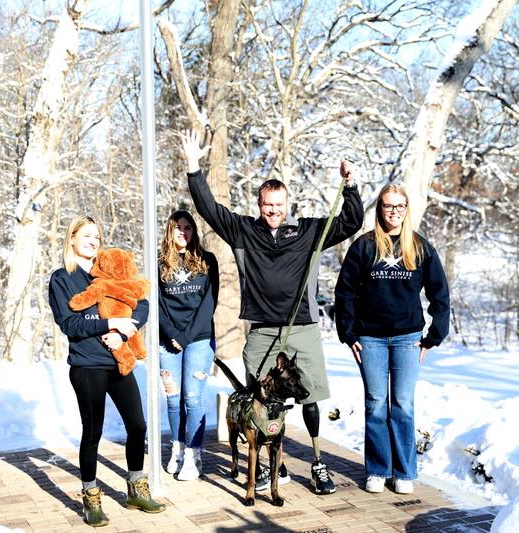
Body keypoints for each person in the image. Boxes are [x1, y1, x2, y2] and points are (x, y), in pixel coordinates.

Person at [180, 129, 364, 495]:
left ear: (287, 203)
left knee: (310, 396)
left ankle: (317, 462)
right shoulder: (244, 230)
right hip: (262, 330)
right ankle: (268, 467)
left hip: (303, 328)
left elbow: (351, 222)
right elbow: (208, 209)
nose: (273, 210)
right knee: (259, 402)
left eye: (279, 204)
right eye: (267, 204)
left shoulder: (309, 231)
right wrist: (193, 166)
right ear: (260, 203)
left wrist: (351, 186)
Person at [48, 215, 165, 527]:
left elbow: (141, 303)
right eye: (86, 235)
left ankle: (136, 488)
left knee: (137, 426)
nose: (93, 241)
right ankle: (90, 496)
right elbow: (69, 323)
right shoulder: (62, 279)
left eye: (96, 236)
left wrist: (126, 332)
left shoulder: (111, 268)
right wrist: (109, 323)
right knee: (93, 433)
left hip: (119, 362)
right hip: (87, 367)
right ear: (71, 239)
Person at [334, 184, 450, 495]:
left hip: (407, 339)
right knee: (374, 405)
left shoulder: (421, 247)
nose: (394, 211)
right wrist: (347, 332)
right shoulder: (364, 246)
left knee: (403, 405)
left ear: (407, 209)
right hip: (369, 338)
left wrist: (432, 337)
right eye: (388, 206)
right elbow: (344, 293)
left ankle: (404, 472)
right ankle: (377, 469)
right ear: (380, 209)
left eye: (400, 206)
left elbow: (440, 295)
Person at [157, 209, 219, 481]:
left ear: (194, 232)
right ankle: (177, 449)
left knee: (192, 398)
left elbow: (209, 304)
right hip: (166, 339)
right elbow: (156, 304)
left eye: (188, 228)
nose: (183, 232)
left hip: (199, 338)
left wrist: (186, 336)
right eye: (177, 227)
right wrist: (172, 333)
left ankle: (194, 455)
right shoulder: (158, 263)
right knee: (173, 399)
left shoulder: (208, 261)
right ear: (169, 231)